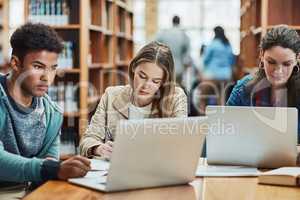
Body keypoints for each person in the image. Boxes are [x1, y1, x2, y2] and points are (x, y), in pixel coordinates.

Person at [0, 23, 91, 199]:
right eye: (38, 66)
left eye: (53, 68)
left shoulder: (52, 113)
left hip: (32, 191)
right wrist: (52, 169)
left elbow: (48, 166)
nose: (47, 77)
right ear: (16, 64)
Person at [80, 41, 187, 160]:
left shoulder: (175, 98)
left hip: (157, 172)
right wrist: (98, 148)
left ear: (163, 82)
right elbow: (87, 140)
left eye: (155, 81)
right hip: (117, 172)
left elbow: (181, 144)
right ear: (133, 68)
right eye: (142, 76)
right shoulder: (111, 95)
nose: (146, 85)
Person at [227, 25, 300, 142]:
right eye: (271, 62)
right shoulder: (243, 89)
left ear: (297, 58)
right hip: (247, 159)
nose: (278, 71)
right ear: (261, 55)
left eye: (286, 64)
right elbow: (225, 134)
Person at [156, 15, 191, 85]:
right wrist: (186, 64)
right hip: (179, 67)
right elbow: (187, 53)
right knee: (177, 88)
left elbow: (155, 44)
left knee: (165, 87)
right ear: (179, 22)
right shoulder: (183, 35)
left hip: (165, 65)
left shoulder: (164, 33)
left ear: (172, 22)